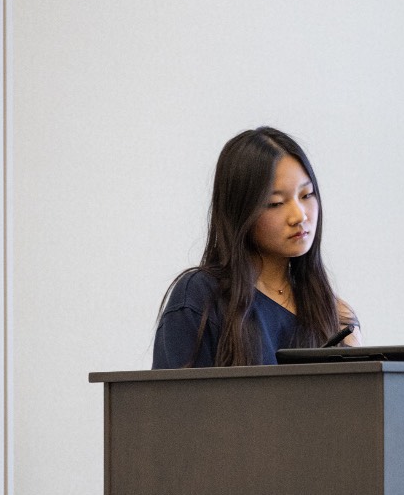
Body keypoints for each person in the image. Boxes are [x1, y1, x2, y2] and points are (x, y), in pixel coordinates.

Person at [153, 127, 360, 368]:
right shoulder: (201, 296)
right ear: (241, 212)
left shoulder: (335, 313)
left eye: (307, 195)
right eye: (276, 203)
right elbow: (173, 403)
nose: (298, 215)